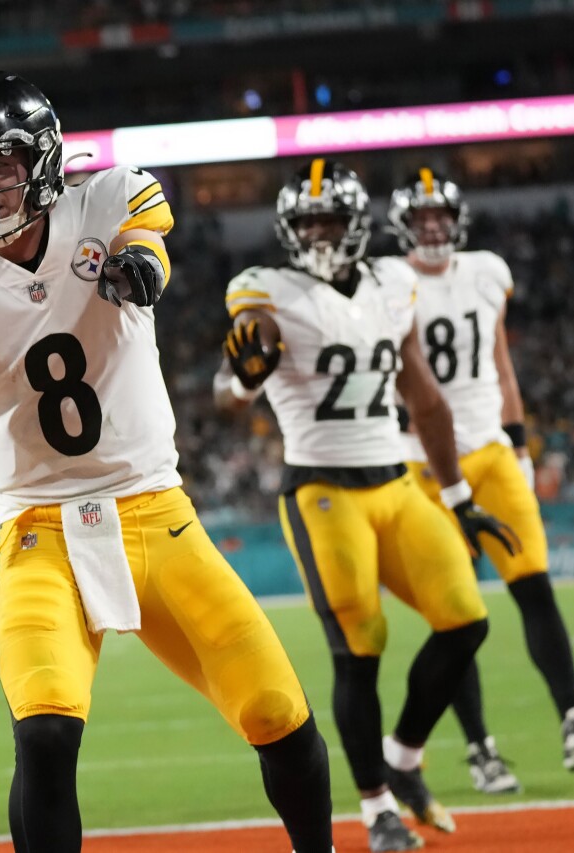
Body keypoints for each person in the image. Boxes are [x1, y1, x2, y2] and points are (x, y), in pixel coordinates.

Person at [0, 70, 334, 853]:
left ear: (39, 159)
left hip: (154, 511)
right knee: (43, 729)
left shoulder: (107, 201)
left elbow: (148, 242)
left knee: (276, 708)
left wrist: (140, 268)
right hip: (39, 530)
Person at [220, 160, 515, 852]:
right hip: (323, 489)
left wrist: (460, 496)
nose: (319, 233)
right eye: (308, 222)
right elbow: (233, 382)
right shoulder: (267, 288)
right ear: (290, 231)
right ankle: (376, 804)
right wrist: (243, 379)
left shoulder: (391, 281)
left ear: (356, 225)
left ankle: (404, 759)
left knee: (466, 620)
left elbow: (426, 398)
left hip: (396, 481)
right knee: (359, 649)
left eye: (330, 220)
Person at [388, 170, 574, 784]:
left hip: (492, 452)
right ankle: (479, 749)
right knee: (458, 614)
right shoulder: (389, 282)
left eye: (441, 216)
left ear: (457, 219)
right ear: (404, 226)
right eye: (422, 218)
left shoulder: (488, 270)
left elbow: (502, 366)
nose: (433, 227)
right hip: (421, 463)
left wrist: (519, 447)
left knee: (534, 584)